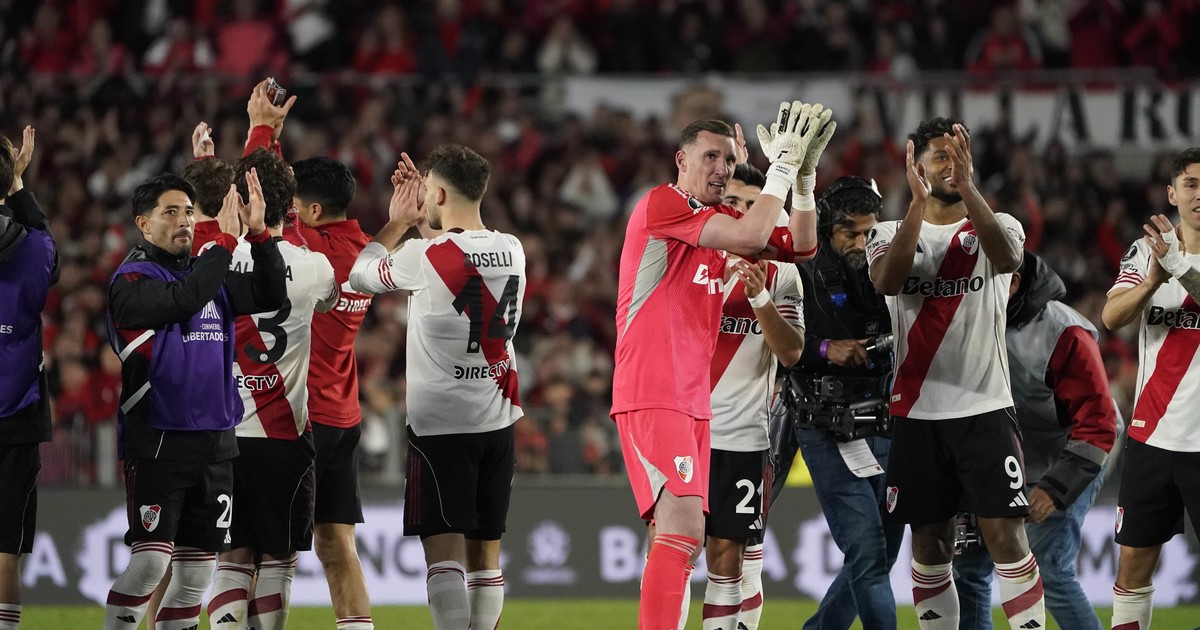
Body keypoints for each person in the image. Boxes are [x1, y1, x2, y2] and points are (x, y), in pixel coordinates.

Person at [613, 100, 833, 630]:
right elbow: (754, 237)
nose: (722, 167)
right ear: (681, 159)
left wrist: (803, 180)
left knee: (683, 536)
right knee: (681, 531)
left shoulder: (719, 224)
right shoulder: (663, 203)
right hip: (654, 389)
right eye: (710, 156)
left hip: (693, 404)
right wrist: (779, 167)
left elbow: (802, 246)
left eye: (730, 159)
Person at [865, 117, 1043, 630]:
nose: (950, 164)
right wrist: (916, 205)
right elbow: (888, 281)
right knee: (929, 543)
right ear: (916, 166)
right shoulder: (887, 232)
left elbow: (1008, 258)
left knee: (1006, 536)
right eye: (940, 156)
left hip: (985, 407)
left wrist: (968, 189)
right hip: (918, 413)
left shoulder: (999, 224)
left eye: (958, 155)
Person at [348, 146, 525, 630]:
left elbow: (360, 275)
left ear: (440, 195)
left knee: (444, 558)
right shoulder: (512, 248)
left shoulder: (419, 256)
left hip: (441, 427)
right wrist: (426, 213)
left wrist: (399, 221)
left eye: (427, 190)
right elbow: (453, 261)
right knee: (485, 558)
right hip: (498, 420)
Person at [102, 171, 285, 630]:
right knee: (150, 564)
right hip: (159, 440)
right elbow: (184, 300)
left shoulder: (208, 273)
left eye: (188, 211)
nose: (184, 220)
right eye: (170, 212)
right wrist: (222, 243)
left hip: (216, 442)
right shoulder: (132, 279)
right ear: (143, 224)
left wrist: (260, 237)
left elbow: (271, 294)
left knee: (197, 575)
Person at [242, 81, 376, 630]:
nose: (289, 211)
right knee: (338, 548)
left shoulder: (310, 250)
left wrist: (261, 130)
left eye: (298, 205)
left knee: (264, 550)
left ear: (314, 210)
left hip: (302, 417)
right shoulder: (363, 249)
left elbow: (263, 204)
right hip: (344, 416)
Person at [204, 148, 338, 630]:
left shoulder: (213, 259)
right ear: (292, 207)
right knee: (278, 560)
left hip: (225, 434)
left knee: (232, 559)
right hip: (285, 434)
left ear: (240, 201)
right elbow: (329, 304)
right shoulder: (316, 266)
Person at [954, 250, 1118, 630]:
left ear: (1013, 282)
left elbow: (1098, 422)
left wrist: (1056, 487)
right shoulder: (962, 317)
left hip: (1069, 451)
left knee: (1048, 569)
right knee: (969, 567)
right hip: (999, 452)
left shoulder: (1063, 331)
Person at [773, 175, 904, 630]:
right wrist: (828, 349)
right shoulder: (799, 269)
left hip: (884, 420)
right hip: (825, 423)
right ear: (827, 227)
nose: (862, 243)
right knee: (867, 549)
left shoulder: (888, 264)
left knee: (883, 552)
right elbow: (781, 344)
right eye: (851, 232)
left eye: (869, 232)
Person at [687, 163, 805, 630]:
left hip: (743, 437)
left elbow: (792, 352)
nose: (740, 212)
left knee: (730, 558)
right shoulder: (691, 263)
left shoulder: (782, 277)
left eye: (753, 205)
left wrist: (760, 300)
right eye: (732, 201)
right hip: (684, 431)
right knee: (672, 550)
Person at [1101, 147, 1200, 630]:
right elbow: (1111, 316)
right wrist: (1153, 281)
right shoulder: (1146, 252)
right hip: (1152, 436)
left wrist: (1180, 267)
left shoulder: (1172, 257)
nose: (1199, 194)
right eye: (1191, 184)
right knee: (1133, 572)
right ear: (1172, 194)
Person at [0, 126, 54, 630]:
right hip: (17, 414)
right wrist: (17, 183)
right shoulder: (35, 248)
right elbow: (48, 253)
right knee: (6, 550)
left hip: (19, 416)